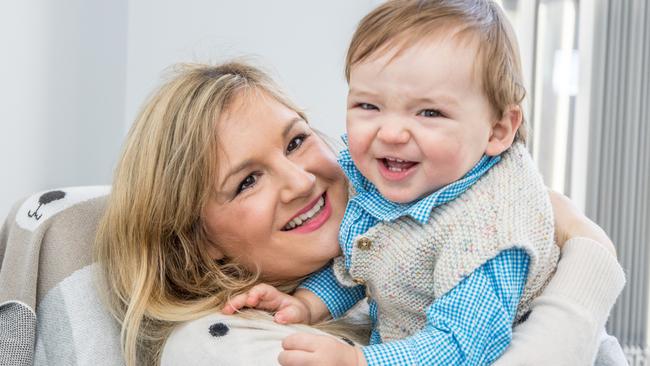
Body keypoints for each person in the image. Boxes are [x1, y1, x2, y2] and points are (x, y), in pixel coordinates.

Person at [95, 61, 626, 366]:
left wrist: (306, 303)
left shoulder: (378, 257)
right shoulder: (217, 349)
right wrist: (588, 251)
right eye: (248, 181)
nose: (302, 180)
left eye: (297, 141)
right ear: (194, 241)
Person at [223, 1, 623, 365]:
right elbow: (372, 262)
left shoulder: (488, 233)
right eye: (369, 105)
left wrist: (359, 363)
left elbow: (465, 347)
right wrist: (309, 305)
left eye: (429, 112)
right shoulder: (394, 181)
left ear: (497, 130)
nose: (392, 132)